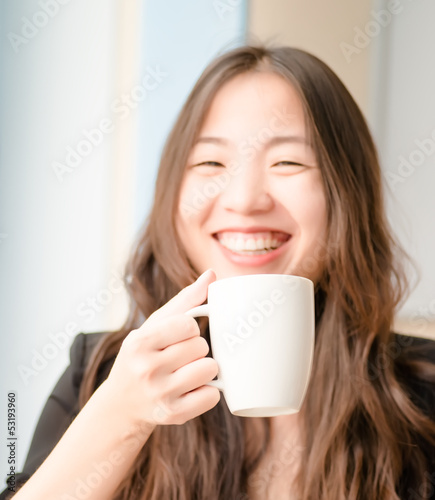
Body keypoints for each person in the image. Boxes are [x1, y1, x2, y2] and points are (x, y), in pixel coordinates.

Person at [2, 45, 434, 500]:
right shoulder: (99, 375)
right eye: (211, 163)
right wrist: (123, 416)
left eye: (288, 162)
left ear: (348, 191)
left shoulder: (421, 392)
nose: (245, 200)